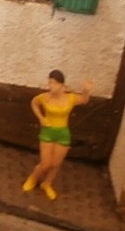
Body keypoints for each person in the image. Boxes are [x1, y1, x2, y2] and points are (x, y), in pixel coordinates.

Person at [22, 69, 91, 201]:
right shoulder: (45, 97)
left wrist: (86, 91)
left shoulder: (70, 98)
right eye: (49, 83)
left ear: (61, 85)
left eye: (53, 83)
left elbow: (84, 100)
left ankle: (47, 183)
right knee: (46, 163)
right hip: (48, 132)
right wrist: (41, 118)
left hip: (63, 134)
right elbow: (34, 103)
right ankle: (33, 178)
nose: (50, 86)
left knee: (55, 164)